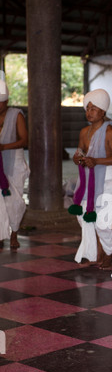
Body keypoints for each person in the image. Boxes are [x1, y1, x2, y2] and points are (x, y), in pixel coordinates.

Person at [69, 88, 112, 269]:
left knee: (103, 221)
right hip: (88, 182)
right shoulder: (84, 131)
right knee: (84, 218)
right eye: (87, 108)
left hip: (109, 181)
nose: (89, 112)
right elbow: (80, 150)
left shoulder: (110, 132)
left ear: (103, 111)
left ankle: (108, 252)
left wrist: (97, 161)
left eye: (93, 108)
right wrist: (77, 157)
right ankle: (92, 253)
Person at [0, 79, 29, 250]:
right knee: (0, 202)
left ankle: (14, 233)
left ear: (7, 101)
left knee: (14, 201)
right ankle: (1, 233)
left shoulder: (16, 115)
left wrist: (4, 147)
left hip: (14, 164)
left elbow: (24, 140)